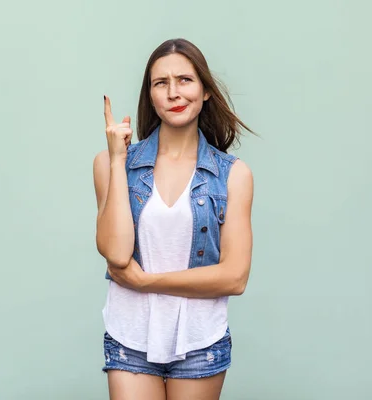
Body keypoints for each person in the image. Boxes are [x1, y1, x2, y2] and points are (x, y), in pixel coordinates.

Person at [93, 38, 254, 400]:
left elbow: (235, 277)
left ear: (205, 91)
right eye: (160, 83)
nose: (173, 93)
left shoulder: (233, 175)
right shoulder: (110, 164)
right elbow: (117, 254)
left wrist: (147, 282)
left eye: (185, 80)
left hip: (199, 340)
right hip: (130, 337)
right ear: (150, 95)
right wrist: (119, 162)